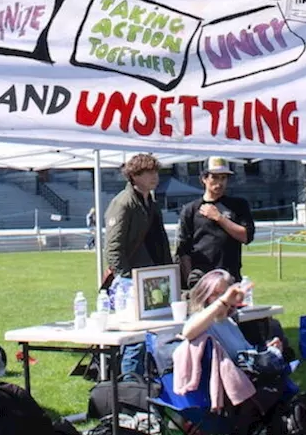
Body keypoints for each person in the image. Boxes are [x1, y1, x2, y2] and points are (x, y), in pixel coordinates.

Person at [105, 153, 172, 375]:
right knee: (135, 339)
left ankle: (141, 383)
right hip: (132, 280)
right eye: (148, 172)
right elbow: (113, 247)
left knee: (150, 335)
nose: (154, 177)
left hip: (152, 276)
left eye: (156, 171)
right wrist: (125, 279)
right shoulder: (124, 202)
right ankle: (129, 387)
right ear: (134, 176)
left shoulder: (149, 201)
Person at [175, 158, 256, 287]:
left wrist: (219, 218)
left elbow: (246, 236)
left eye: (223, 178)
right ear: (204, 179)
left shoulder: (238, 205)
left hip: (230, 276)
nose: (219, 183)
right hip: (202, 277)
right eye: (215, 177)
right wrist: (190, 280)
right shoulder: (191, 209)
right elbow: (183, 250)